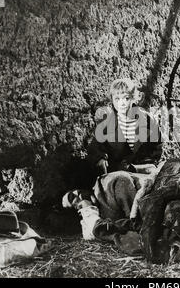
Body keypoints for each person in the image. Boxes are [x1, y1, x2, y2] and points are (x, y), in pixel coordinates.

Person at [63, 78, 163, 240]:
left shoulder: (147, 121)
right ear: (112, 101)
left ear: (135, 98)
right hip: (116, 171)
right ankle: (122, 219)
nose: (122, 103)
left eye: (126, 98)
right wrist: (100, 158)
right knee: (119, 182)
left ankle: (138, 220)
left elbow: (156, 149)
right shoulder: (107, 124)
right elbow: (95, 149)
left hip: (141, 170)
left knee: (145, 187)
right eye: (117, 99)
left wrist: (141, 167)